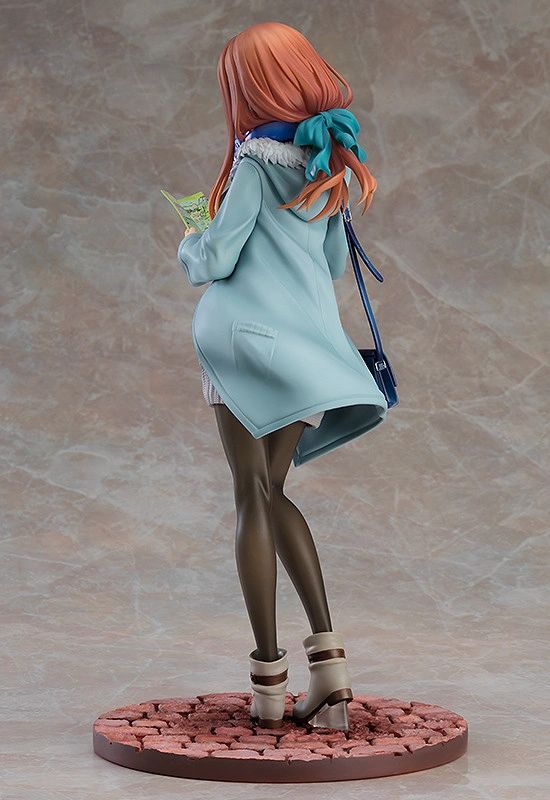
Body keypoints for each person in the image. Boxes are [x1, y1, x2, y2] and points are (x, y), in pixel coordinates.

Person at [177, 21, 388, 731]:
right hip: (304, 353)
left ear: (252, 89)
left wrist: (191, 237)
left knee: (252, 494)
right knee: (273, 490)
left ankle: (268, 682)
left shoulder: (252, 163)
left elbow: (216, 260)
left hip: (244, 347)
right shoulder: (328, 164)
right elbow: (330, 266)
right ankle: (330, 670)